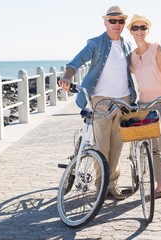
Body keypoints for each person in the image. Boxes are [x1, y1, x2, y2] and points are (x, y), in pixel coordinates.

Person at [59, 6, 138, 200]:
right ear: (105, 23)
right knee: (102, 147)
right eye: (113, 21)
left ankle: (112, 185)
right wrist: (68, 75)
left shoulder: (127, 45)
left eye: (120, 21)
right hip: (101, 100)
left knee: (118, 145)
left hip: (123, 100)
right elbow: (78, 60)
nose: (117, 25)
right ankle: (101, 186)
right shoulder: (95, 43)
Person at [127, 14, 161, 199]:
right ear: (131, 31)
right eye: (136, 28)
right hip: (144, 105)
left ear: (147, 30)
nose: (139, 31)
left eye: (143, 27)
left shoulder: (157, 49)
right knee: (153, 148)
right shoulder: (131, 57)